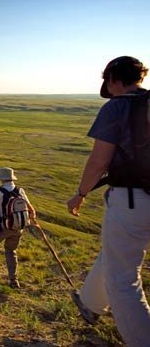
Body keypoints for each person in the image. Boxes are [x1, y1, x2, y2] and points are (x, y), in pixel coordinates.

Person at [66, 56, 150, 346]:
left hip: (133, 201)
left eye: (107, 80)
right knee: (115, 251)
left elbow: (98, 161)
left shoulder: (117, 107)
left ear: (114, 78)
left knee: (123, 280)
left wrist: (81, 194)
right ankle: (90, 302)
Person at [0, 167, 36, 289]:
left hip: (3, 227)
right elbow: (31, 209)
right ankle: (13, 280)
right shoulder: (20, 190)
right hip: (18, 228)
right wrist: (32, 220)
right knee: (11, 251)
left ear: (2, 179)